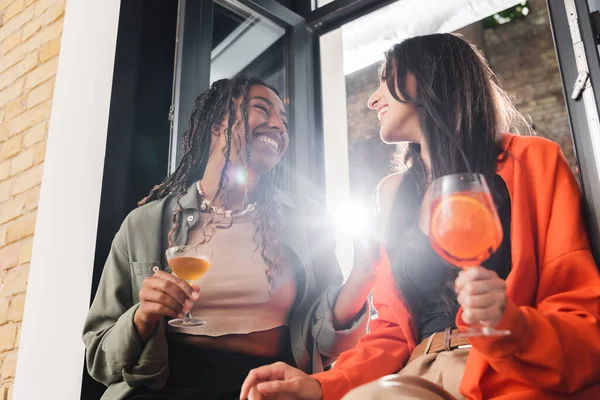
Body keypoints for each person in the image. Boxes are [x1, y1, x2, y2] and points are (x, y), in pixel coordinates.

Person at [239, 33, 600, 400]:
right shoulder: (392, 195)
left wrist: (513, 324)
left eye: (385, 78)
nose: (372, 99)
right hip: (415, 376)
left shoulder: (533, 162)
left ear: (428, 76)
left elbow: (580, 311)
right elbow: (391, 332)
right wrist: (320, 384)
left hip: (507, 375)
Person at [83, 76, 376, 400]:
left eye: (284, 121)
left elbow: (326, 345)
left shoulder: (307, 221)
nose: (278, 125)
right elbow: (99, 358)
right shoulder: (144, 225)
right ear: (216, 125)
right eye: (262, 109)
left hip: (266, 391)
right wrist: (142, 315)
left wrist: (362, 276)